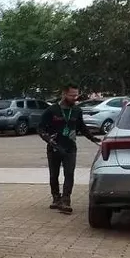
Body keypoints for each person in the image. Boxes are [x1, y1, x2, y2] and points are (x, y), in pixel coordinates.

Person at [38, 83, 101, 214]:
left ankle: (66, 200)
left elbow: (82, 128)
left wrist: (94, 139)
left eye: (76, 95)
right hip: (54, 147)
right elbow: (40, 128)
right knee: (54, 175)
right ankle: (56, 198)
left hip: (70, 148)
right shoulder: (52, 110)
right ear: (64, 94)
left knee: (69, 173)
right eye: (72, 95)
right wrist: (49, 140)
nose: (75, 97)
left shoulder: (77, 111)